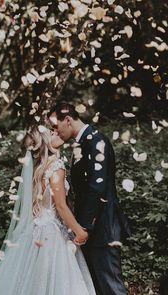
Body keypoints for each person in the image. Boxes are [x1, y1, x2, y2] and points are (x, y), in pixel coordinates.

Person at [0, 126, 96, 295]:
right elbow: (61, 206)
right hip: (52, 233)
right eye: (51, 133)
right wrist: (79, 232)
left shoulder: (39, 169)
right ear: (46, 143)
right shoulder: (56, 167)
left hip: (36, 230)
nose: (56, 132)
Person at [48, 102, 131, 295]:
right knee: (96, 287)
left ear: (67, 119)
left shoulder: (96, 141)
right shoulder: (81, 143)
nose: (55, 131)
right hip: (90, 228)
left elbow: (97, 187)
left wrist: (83, 227)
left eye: (55, 126)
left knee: (111, 287)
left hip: (102, 227)